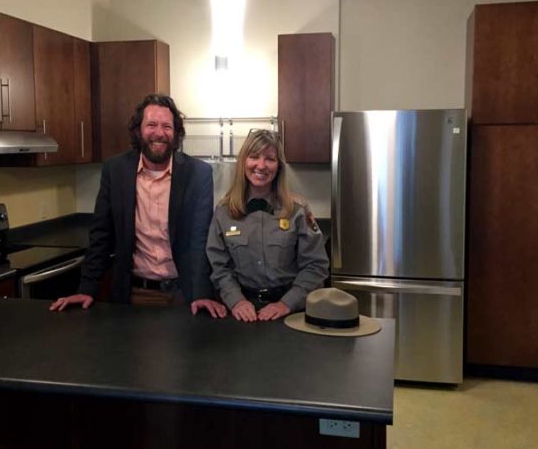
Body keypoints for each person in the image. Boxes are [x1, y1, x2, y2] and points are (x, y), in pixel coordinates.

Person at [50, 94, 227, 318]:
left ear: (176, 132)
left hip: (184, 296)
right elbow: (101, 234)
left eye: (167, 126)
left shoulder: (199, 174)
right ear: (138, 130)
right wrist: (87, 288)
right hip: (132, 295)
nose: (159, 133)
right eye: (151, 125)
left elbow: (200, 239)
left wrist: (202, 293)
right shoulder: (116, 170)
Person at [206, 129, 329, 322]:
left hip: (289, 313)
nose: (261, 165)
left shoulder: (298, 210)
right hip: (241, 313)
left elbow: (316, 266)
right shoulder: (224, 211)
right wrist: (236, 301)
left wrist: (286, 303)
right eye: (254, 157)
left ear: (279, 165)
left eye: (270, 159)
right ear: (243, 162)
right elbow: (219, 266)